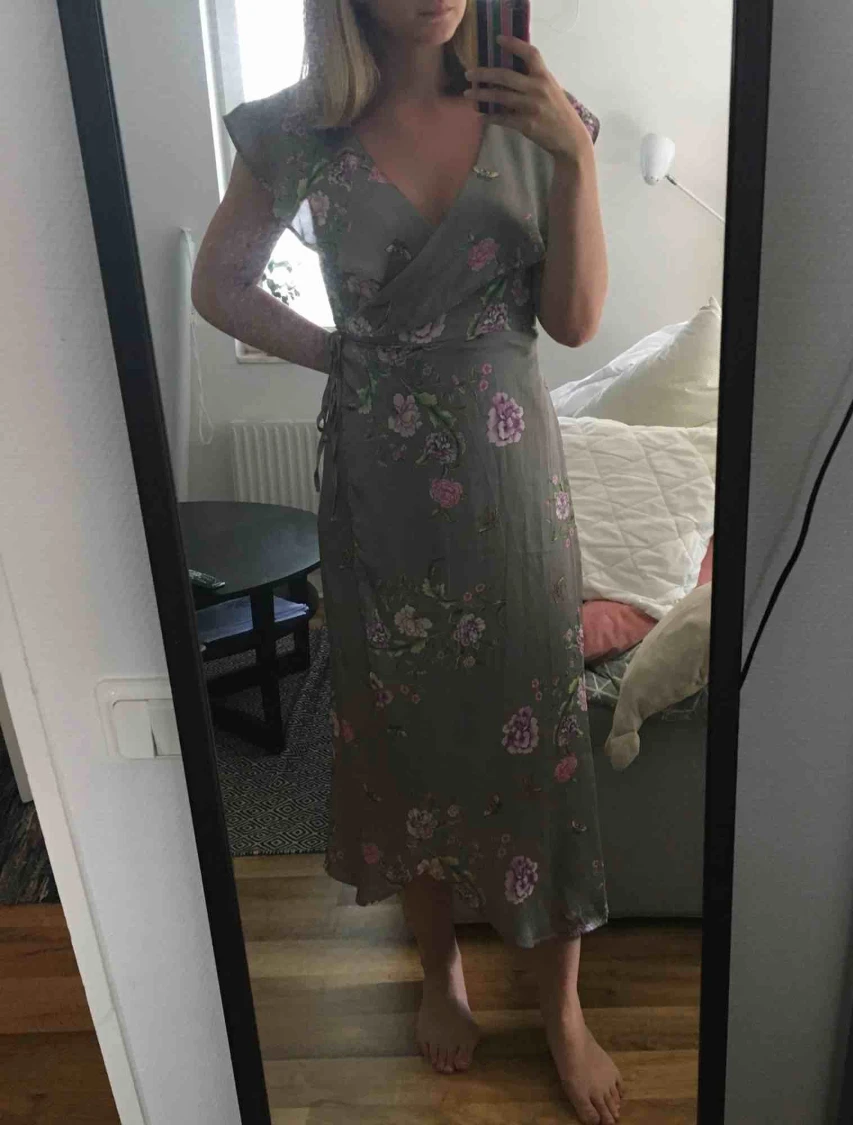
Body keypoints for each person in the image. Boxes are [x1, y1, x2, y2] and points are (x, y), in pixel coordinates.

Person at [191, 2, 620, 1121]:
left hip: (510, 482)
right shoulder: (297, 127)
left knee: (540, 734)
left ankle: (562, 1007)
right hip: (376, 483)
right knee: (401, 727)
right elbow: (219, 284)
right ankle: (441, 971)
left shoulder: (535, 112)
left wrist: (574, 159)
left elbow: (575, 322)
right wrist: (341, 354)